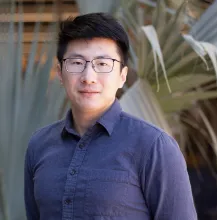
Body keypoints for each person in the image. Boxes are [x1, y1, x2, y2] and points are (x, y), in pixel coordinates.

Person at [24, 12, 197, 220]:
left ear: (122, 76)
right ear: (60, 73)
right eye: (77, 63)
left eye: (103, 64)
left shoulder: (154, 147)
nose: (89, 77)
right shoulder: (39, 145)